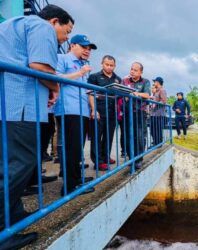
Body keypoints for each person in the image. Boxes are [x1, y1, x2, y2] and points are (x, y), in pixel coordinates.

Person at [0, 4, 74, 248]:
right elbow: (40, 67)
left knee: (7, 162)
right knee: (21, 163)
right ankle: (3, 229)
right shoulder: (41, 26)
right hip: (19, 104)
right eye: (67, 31)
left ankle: (15, 212)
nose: (66, 38)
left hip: (6, 103)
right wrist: (55, 87)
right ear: (54, 22)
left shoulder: (13, 25)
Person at [54, 34, 97, 195]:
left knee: (78, 148)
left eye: (89, 49)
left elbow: (87, 90)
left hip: (82, 110)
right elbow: (54, 77)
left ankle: (76, 177)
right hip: (68, 109)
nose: (87, 51)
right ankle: (69, 187)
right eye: (84, 47)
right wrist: (79, 73)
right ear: (72, 45)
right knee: (71, 148)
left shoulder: (83, 65)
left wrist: (93, 108)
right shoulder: (62, 59)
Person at [88, 55, 121, 170]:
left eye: (111, 65)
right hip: (99, 110)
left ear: (115, 66)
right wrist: (93, 109)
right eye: (107, 64)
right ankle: (98, 161)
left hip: (112, 112)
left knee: (109, 136)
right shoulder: (94, 77)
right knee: (97, 137)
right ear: (102, 63)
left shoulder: (118, 79)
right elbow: (90, 93)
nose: (109, 67)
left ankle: (106, 156)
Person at [122, 62, 151, 170]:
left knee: (139, 136)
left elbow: (147, 95)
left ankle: (139, 159)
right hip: (127, 112)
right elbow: (120, 91)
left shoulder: (145, 81)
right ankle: (131, 158)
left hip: (140, 112)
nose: (132, 71)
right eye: (131, 69)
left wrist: (136, 94)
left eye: (135, 70)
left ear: (141, 72)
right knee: (128, 136)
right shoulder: (125, 81)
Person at [150, 77, 167, 145]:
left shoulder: (162, 90)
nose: (154, 83)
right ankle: (156, 142)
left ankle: (158, 144)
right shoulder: (156, 91)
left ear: (158, 82)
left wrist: (155, 104)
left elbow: (164, 101)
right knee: (152, 130)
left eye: (155, 82)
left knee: (158, 130)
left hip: (159, 114)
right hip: (153, 114)